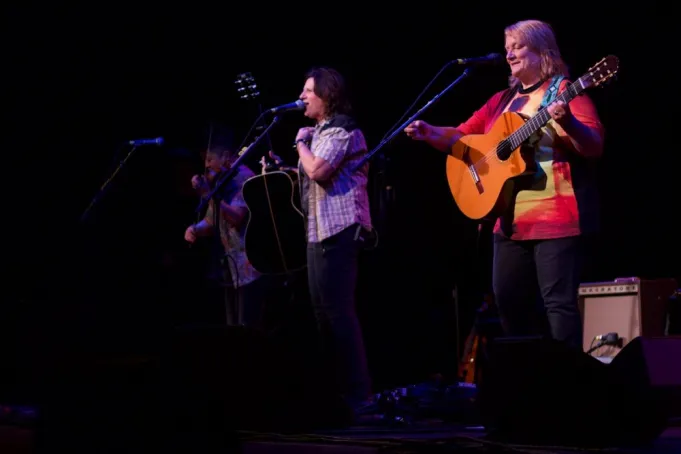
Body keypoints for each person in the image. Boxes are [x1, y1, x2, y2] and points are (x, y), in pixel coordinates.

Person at [405, 19, 604, 351]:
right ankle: (526, 385)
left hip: (556, 219)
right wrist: (430, 132)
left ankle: (568, 386)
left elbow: (594, 145)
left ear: (543, 49)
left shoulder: (565, 91)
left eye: (518, 46)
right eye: (507, 47)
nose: (509, 53)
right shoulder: (501, 101)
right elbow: (462, 136)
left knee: (558, 308)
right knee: (510, 306)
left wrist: (566, 120)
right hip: (508, 224)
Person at [271, 67, 375, 411]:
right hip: (318, 230)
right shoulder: (320, 132)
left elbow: (318, 170)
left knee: (338, 312)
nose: (301, 97)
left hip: (341, 229)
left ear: (326, 95)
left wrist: (300, 143)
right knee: (321, 313)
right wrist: (284, 168)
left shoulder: (342, 129)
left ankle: (358, 395)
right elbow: (310, 172)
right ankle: (335, 391)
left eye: (307, 91)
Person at [184, 144, 268, 329]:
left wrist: (208, 193)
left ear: (226, 155)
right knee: (233, 328)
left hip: (250, 266)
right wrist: (195, 229)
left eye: (209, 159)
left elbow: (236, 217)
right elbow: (212, 220)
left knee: (250, 327)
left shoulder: (243, 178)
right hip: (231, 268)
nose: (206, 165)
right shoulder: (221, 181)